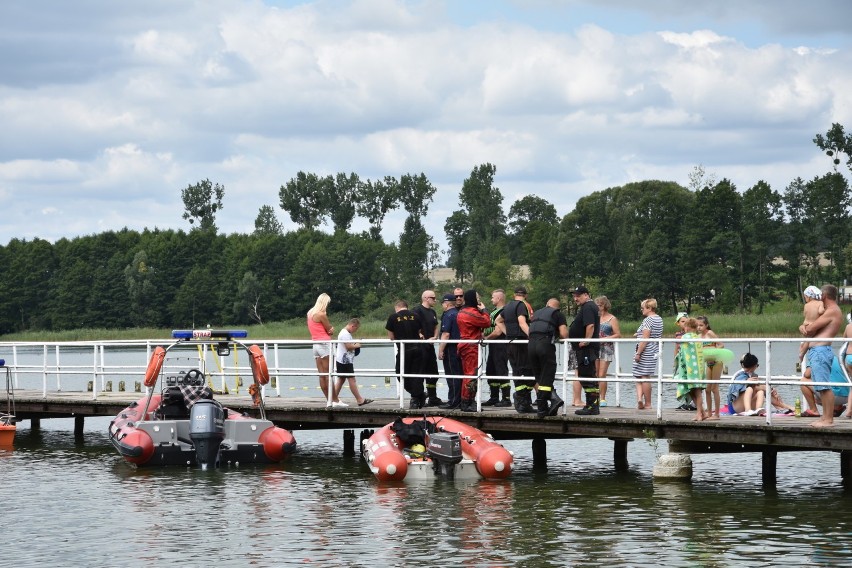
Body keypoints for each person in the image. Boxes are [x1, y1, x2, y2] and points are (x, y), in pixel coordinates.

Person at [799, 284, 845, 427]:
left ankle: (828, 419)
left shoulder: (832, 311)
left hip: (820, 351)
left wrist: (803, 327)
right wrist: (805, 328)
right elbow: (812, 329)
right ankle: (824, 417)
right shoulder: (830, 311)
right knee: (821, 386)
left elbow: (811, 328)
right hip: (818, 351)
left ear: (824, 296)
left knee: (824, 387)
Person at [497, 286, 536, 413]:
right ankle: (522, 399)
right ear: (526, 295)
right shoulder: (521, 305)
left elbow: (498, 320)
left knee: (517, 371)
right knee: (528, 370)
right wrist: (533, 336)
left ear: (514, 295)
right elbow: (522, 322)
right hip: (520, 343)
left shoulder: (508, 306)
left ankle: (522, 402)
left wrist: (507, 333)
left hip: (510, 343)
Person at [528, 298, 569, 418]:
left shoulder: (536, 314)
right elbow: (564, 334)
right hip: (545, 345)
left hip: (531, 346)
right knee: (547, 375)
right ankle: (542, 409)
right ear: (557, 308)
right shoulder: (558, 314)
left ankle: (551, 401)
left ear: (546, 305)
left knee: (539, 376)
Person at [456, 290, 492, 412]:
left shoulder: (462, 311)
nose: (479, 299)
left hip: (467, 344)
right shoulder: (471, 313)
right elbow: (487, 322)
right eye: (477, 297)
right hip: (470, 346)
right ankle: (467, 402)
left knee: (470, 373)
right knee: (471, 374)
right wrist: (484, 310)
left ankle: (468, 400)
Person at [385, 299, 425, 409]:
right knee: (416, 374)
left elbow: (391, 337)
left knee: (400, 373)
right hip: (417, 348)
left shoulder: (393, 317)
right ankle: (417, 396)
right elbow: (420, 332)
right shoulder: (416, 316)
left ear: (397, 307)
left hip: (404, 350)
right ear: (406, 306)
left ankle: (417, 396)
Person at [570, 286, 601, 415]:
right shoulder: (589, 306)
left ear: (586, 295)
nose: (575, 298)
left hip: (586, 349)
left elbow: (590, 325)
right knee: (586, 375)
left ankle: (592, 406)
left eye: (578, 295)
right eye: (574, 296)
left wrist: (587, 340)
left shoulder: (588, 307)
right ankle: (591, 404)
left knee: (587, 375)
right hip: (584, 349)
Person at [307, 292, 342, 407]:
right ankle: (335, 400)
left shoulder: (310, 313)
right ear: (324, 303)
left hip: (315, 344)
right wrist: (332, 330)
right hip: (324, 344)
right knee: (329, 374)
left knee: (322, 375)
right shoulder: (321, 314)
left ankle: (328, 399)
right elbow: (329, 329)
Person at [333, 318, 373, 407]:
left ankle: (333, 399)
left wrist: (354, 344)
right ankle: (359, 400)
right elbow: (348, 347)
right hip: (345, 360)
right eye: (356, 328)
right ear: (352, 326)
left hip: (343, 360)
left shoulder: (345, 333)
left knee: (341, 379)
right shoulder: (345, 334)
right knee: (352, 380)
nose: (355, 330)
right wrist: (357, 345)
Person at [413, 289, 443, 407]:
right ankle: (419, 398)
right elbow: (414, 327)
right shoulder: (417, 311)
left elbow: (436, 326)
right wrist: (421, 337)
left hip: (430, 347)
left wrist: (435, 337)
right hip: (420, 348)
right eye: (433, 298)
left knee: (433, 372)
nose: (435, 300)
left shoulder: (433, 312)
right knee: (420, 372)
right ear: (425, 298)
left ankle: (432, 397)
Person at [632, 298, 663, 410]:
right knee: (642, 374)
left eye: (643, 308)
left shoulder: (648, 320)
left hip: (645, 350)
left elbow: (645, 338)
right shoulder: (659, 319)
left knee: (643, 375)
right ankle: (641, 400)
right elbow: (654, 333)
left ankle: (647, 403)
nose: (642, 310)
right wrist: (638, 333)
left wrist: (638, 353)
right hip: (654, 348)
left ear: (649, 308)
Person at [483, 289, 512, 407]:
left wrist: (486, 338)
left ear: (499, 298)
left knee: (501, 369)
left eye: (493, 297)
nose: (491, 299)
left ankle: (506, 398)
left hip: (501, 344)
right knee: (491, 369)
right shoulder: (494, 311)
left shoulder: (504, 311)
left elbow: (498, 331)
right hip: (493, 345)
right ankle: (494, 397)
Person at [673, 317, 706, 421]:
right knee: (694, 390)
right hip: (698, 369)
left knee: (695, 391)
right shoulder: (698, 337)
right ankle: (702, 412)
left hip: (689, 369)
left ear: (687, 327)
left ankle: (699, 414)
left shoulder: (686, 337)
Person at [438, 293, 463, 409]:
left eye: (443, 303)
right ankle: (459, 399)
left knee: (452, 375)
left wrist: (440, 350)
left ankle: (453, 401)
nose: (442, 305)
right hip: (459, 348)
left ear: (447, 303)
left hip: (450, 349)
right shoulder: (459, 314)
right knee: (458, 374)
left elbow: (446, 334)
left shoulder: (448, 315)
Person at [595, 296, 620, 407]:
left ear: (604, 305)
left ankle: (602, 398)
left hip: (606, 348)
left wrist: (604, 339)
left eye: (599, 305)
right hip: (595, 347)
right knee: (595, 373)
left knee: (602, 374)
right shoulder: (594, 317)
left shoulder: (612, 318)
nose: (598, 307)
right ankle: (594, 397)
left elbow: (618, 335)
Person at [696, 315, 723, 420]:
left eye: (701, 325)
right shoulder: (698, 337)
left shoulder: (710, 333)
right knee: (707, 389)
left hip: (716, 361)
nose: (699, 327)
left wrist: (713, 352)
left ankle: (717, 414)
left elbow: (721, 344)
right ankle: (709, 413)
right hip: (708, 363)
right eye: (697, 325)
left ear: (706, 325)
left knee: (714, 388)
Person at [797, 285, 825, 373]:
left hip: (806, 325)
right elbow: (820, 311)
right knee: (809, 340)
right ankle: (802, 354)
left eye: (805, 297)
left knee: (807, 340)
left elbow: (805, 315)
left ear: (809, 296)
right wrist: (824, 311)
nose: (805, 298)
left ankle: (801, 353)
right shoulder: (820, 303)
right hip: (813, 325)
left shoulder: (806, 305)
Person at [672, 312, 697, 411]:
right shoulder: (678, 334)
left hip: (688, 361)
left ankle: (692, 403)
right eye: (682, 321)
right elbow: (676, 347)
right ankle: (685, 402)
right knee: (681, 381)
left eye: (686, 321)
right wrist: (674, 361)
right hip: (680, 360)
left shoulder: (691, 335)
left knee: (689, 381)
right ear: (678, 323)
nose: (684, 323)